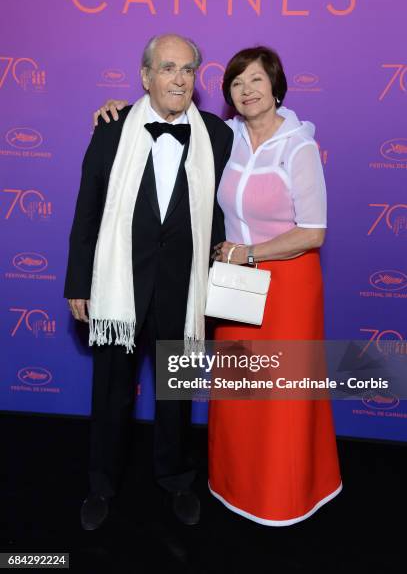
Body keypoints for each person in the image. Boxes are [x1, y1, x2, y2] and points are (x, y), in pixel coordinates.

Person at [93, 45, 342, 526]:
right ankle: (233, 486)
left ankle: (281, 493)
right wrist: (112, 109)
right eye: (236, 83)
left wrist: (248, 253)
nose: (247, 91)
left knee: (281, 397)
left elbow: (314, 232)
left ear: (276, 87)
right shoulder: (222, 136)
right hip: (226, 287)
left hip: (283, 285)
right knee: (237, 395)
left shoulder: (297, 144)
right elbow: (98, 197)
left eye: (256, 81)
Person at [64, 33, 233, 530]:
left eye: (187, 70)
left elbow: (223, 213)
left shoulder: (216, 136)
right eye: (167, 68)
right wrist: (79, 282)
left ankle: (176, 479)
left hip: (184, 290)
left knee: (175, 394)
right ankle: (101, 485)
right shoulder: (112, 128)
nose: (178, 79)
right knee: (111, 391)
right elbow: (88, 210)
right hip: (120, 287)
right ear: (145, 76)